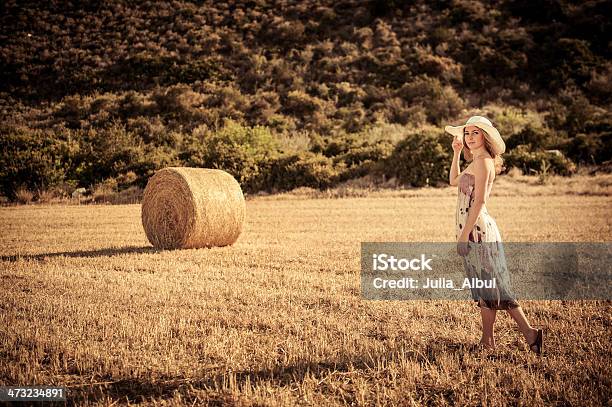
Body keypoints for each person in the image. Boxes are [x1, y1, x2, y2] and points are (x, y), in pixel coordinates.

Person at [445, 116, 543, 354]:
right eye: (466, 134)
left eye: (474, 133)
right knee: (487, 286)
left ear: (485, 137)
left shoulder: (483, 162)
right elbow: (452, 181)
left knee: (492, 285)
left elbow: (479, 202)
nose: (469, 137)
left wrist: (464, 235)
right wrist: (457, 153)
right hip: (471, 229)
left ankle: (524, 334)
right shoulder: (475, 160)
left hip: (478, 230)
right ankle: (494, 339)